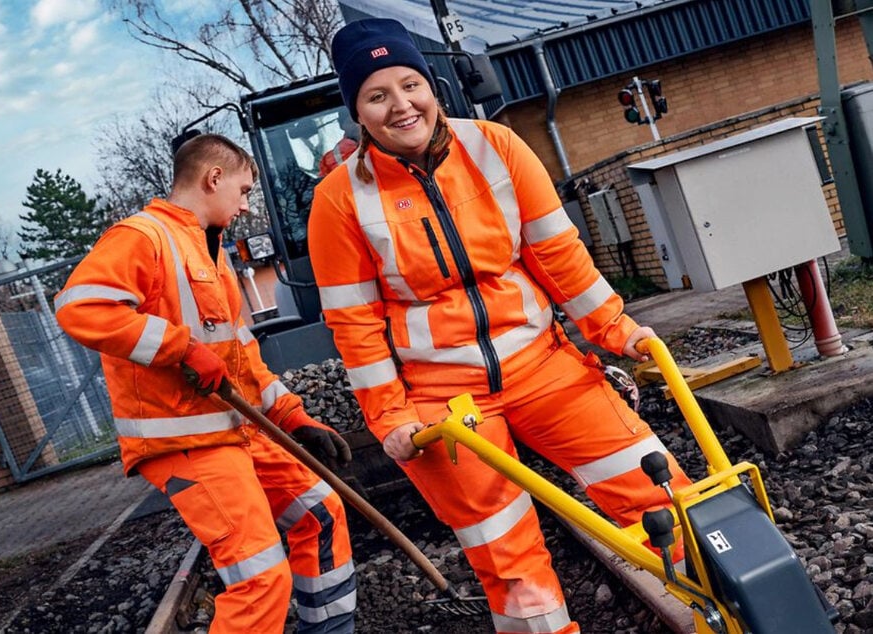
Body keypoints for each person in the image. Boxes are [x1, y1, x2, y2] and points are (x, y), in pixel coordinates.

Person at [307, 18, 692, 634]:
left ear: (431, 85)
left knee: (657, 490)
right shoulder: (338, 200)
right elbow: (355, 324)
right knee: (503, 548)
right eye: (377, 95)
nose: (401, 105)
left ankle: (720, 607)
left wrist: (618, 330)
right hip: (443, 401)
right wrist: (391, 416)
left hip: (545, 364)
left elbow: (558, 254)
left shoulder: (497, 146)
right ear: (357, 110)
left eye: (410, 85)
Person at [55, 134, 356, 634]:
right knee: (260, 577)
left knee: (319, 513)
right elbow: (79, 308)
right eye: (242, 191)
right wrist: (181, 348)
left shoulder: (213, 256)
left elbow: (242, 361)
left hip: (232, 432)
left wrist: (293, 418)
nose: (244, 205)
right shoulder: (143, 236)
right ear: (213, 178)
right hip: (182, 438)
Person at [318, 108, 361, 177]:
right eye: (350, 122)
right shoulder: (329, 159)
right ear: (342, 126)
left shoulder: (377, 141)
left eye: (357, 121)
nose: (356, 125)